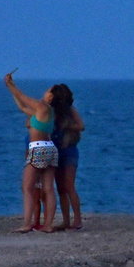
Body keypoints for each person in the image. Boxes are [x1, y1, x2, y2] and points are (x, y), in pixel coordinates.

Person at [3, 70, 58, 232]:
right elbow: (21, 106)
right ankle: (47, 225)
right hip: (50, 149)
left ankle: (27, 224)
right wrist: (11, 87)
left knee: (27, 187)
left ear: (51, 97)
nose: (45, 92)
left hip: (38, 149)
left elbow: (23, 97)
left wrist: (10, 85)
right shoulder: (45, 112)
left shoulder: (42, 107)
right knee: (48, 189)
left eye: (48, 91)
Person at [48, 83, 85, 230]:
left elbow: (81, 126)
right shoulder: (51, 111)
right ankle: (66, 220)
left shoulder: (70, 111)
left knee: (69, 186)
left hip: (68, 150)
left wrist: (66, 126)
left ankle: (77, 220)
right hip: (56, 151)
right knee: (61, 188)